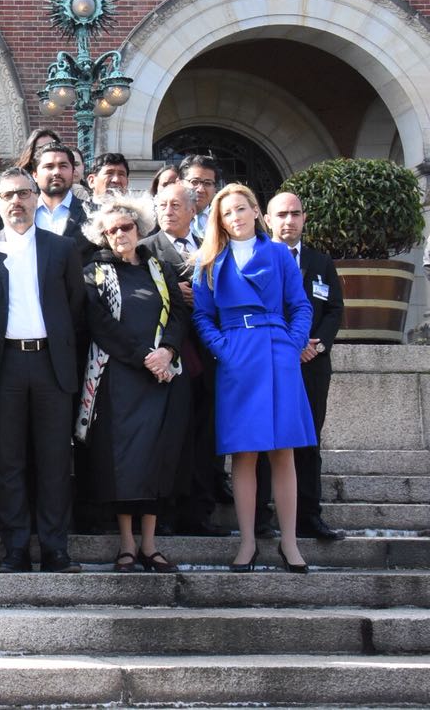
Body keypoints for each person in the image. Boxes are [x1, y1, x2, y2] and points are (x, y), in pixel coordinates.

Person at [191, 184, 316, 573]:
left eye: (241, 209)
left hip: (278, 352)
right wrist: (224, 349)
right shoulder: (210, 261)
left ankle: (290, 542)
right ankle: (247, 543)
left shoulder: (279, 254)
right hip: (237, 354)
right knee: (243, 453)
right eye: (227, 213)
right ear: (219, 221)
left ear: (256, 211)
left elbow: (300, 305)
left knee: (284, 451)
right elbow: (202, 315)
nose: (236, 217)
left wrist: (292, 344)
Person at [0, 168, 84, 573]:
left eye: (22, 193)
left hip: (52, 364)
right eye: (6, 196)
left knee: (55, 460)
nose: (15, 201)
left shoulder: (62, 248)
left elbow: (75, 307)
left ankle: (55, 549)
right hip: (4, 365)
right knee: (6, 461)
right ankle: (15, 548)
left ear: (35, 198)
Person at [78, 194, 189, 573]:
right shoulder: (93, 273)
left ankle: (150, 545)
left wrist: (168, 351)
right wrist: (145, 356)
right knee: (123, 462)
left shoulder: (160, 268)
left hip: (162, 378)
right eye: (111, 231)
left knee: (156, 459)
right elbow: (101, 325)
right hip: (119, 377)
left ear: (139, 229)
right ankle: (127, 545)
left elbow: (178, 314)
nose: (119, 235)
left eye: (125, 227)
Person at [140, 182, 227, 537]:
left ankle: (199, 513)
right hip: (168, 356)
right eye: (161, 205)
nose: (167, 211)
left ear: (194, 210)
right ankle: (165, 513)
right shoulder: (145, 248)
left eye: (176, 205)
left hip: (211, 354)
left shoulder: (213, 247)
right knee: (169, 437)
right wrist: (172, 293)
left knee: (207, 436)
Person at [260, 191, 346, 541]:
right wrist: (288, 346)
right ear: (267, 219)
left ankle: (309, 516)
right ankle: (261, 517)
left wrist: (317, 344)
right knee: (265, 438)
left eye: (295, 214)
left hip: (312, 364)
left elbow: (334, 309)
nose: (289, 221)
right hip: (269, 362)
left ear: (304, 218)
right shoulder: (256, 258)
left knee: (309, 440)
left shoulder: (320, 262)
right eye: (281, 214)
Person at [180, 154, 221, 239]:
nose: (201, 189)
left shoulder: (224, 219)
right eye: (195, 182)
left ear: (215, 188)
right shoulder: (168, 217)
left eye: (208, 183)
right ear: (180, 183)